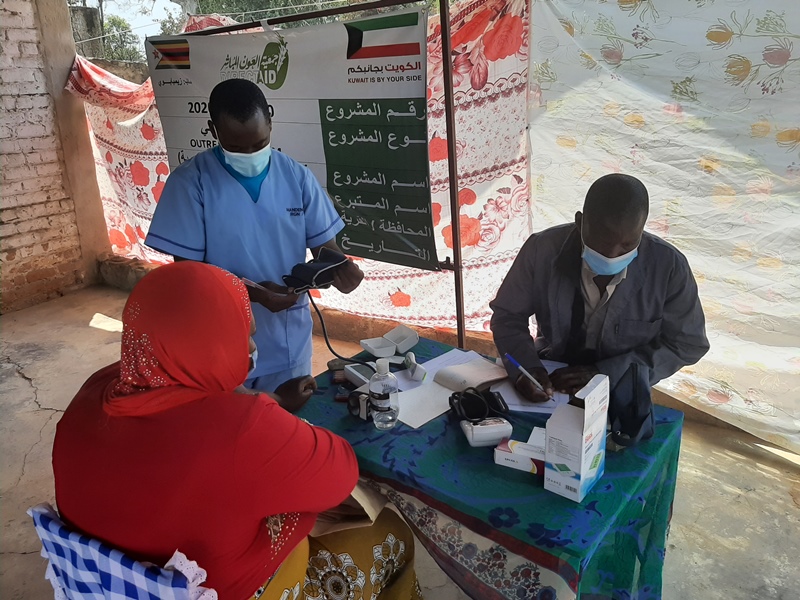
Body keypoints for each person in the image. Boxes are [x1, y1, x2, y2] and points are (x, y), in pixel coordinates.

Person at [53, 261, 422, 600]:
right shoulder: (239, 428)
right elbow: (339, 474)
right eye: (243, 334)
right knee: (390, 534)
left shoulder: (94, 390)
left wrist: (269, 399)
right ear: (212, 345)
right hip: (232, 592)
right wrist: (254, 404)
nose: (251, 348)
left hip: (105, 587)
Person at [145, 78, 364, 402]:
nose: (250, 154)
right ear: (213, 130)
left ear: (270, 122)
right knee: (234, 422)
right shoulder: (191, 183)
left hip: (288, 340)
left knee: (291, 422)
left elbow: (325, 249)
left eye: (259, 143)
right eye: (236, 147)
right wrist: (256, 294)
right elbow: (191, 279)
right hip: (222, 343)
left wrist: (341, 267)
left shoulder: (296, 177)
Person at [490, 173, 709, 402]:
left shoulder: (668, 267)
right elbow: (507, 316)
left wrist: (607, 374)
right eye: (602, 241)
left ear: (642, 231)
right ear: (580, 222)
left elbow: (687, 343)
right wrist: (526, 368)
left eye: (628, 244)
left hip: (622, 387)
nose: (612, 254)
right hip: (549, 377)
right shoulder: (542, 250)